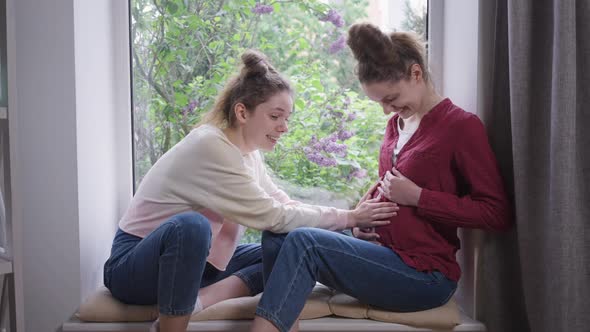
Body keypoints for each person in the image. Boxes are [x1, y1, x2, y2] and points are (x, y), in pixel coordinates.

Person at [103, 49, 398, 332]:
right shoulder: (211, 146)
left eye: (287, 118)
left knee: (285, 254)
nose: (284, 127)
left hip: (198, 264)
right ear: (242, 112)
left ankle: (196, 302)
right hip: (134, 267)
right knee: (190, 227)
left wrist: (349, 228)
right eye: (275, 116)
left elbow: (281, 202)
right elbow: (273, 215)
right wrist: (350, 217)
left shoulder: (248, 152)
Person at [250, 23, 512, 332]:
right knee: (278, 234)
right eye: (380, 103)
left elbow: (496, 213)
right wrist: (361, 227)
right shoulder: (395, 128)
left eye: (392, 98)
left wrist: (419, 197)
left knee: (305, 241)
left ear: (416, 74)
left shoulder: (461, 127)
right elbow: (388, 193)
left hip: (423, 275)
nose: (388, 110)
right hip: (382, 257)